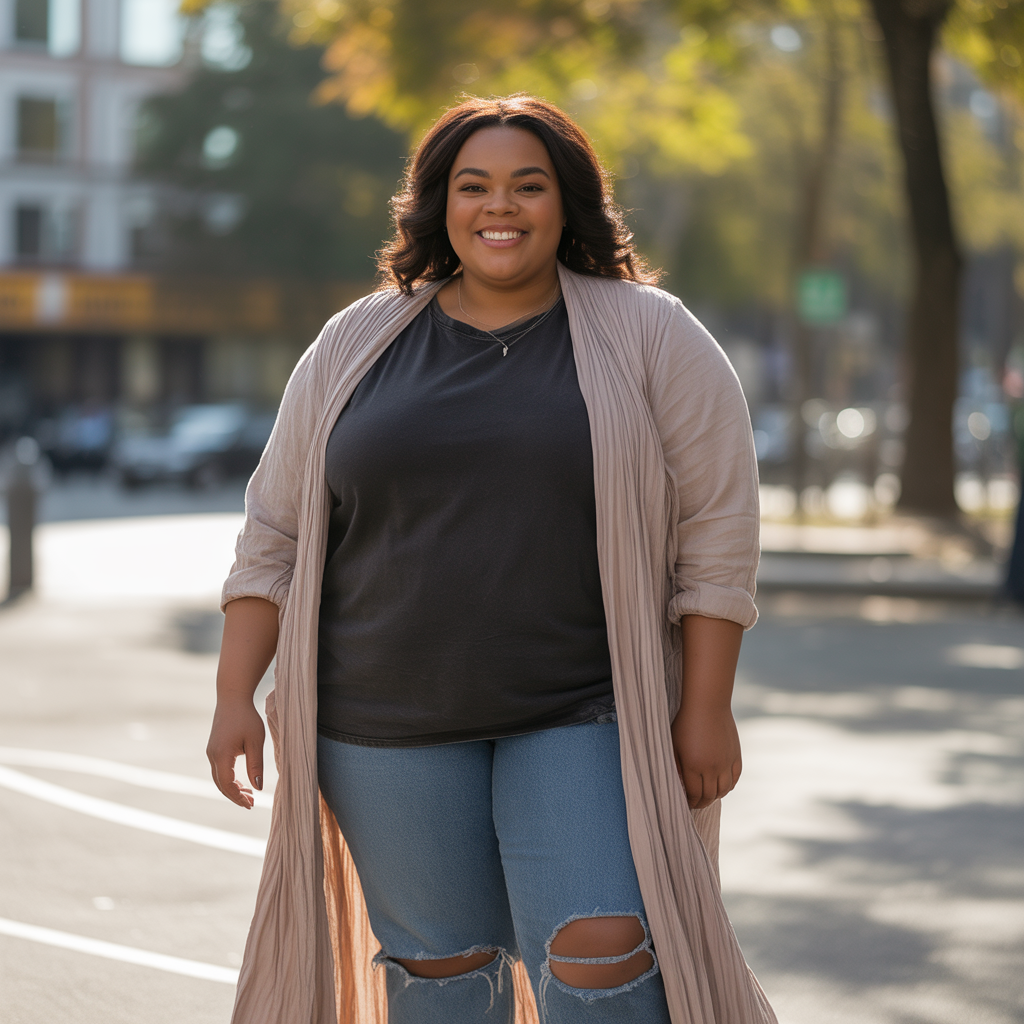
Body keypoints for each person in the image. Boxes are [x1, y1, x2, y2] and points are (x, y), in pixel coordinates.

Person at [207, 94, 776, 1024]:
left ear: (566, 204)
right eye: (474, 187)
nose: (498, 207)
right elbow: (273, 533)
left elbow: (716, 531)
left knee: (603, 956)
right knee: (442, 972)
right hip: (380, 720)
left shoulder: (652, 334)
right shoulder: (356, 343)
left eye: (526, 186)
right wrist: (237, 694)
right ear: (441, 205)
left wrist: (705, 707)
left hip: (584, 709)